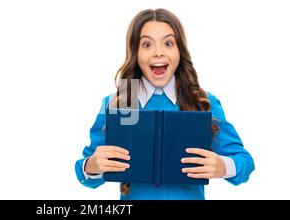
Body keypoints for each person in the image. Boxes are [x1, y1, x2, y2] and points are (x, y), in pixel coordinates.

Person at [74, 8, 255, 200]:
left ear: (179, 50)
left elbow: (245, 161)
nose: (158, 53)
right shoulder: (120, 103)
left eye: (168, 43)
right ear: (135, 52)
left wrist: (223, 166)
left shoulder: (203, 102)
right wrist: (92, 165)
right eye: (147, 44)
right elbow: (85, 171)